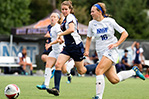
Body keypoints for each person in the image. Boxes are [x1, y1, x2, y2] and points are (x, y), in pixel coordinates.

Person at [84, 2, 145, 99]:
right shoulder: (92, 24)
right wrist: (86, 50)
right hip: (101, 53)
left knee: (98, 70)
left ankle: (98, 97)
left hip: (111, 51)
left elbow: (125, 33)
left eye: (93, 11)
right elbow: (88, 38)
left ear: (99, 12)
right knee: (114, 80)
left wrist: (116, 44)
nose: (91, 14)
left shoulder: (110, 21)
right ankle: (134, 71)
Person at [46, 1, 96, 96]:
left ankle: (97, 66)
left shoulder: (70, 17)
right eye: (63, 9)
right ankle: (56, 88)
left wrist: (60, 34)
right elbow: (66, 31)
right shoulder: (64, 19)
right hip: (68, 47)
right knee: (58, 65)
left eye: (66, 9)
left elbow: (71, 29)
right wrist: (61, 37)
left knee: (82, 71)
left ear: (70, 10)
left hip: (76, 46)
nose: (64, 11)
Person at [36, 12, 63, 90]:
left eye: (54, 17)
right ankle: (45, 84)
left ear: (58, 19)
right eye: (51, 16)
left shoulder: (57, 27)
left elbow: (60, 38)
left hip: (61, 51)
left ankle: (67, 75)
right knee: (48, 65)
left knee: (65, 69)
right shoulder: (51, 28)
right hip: (54, 51)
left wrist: (51, 43)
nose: (52, 18)